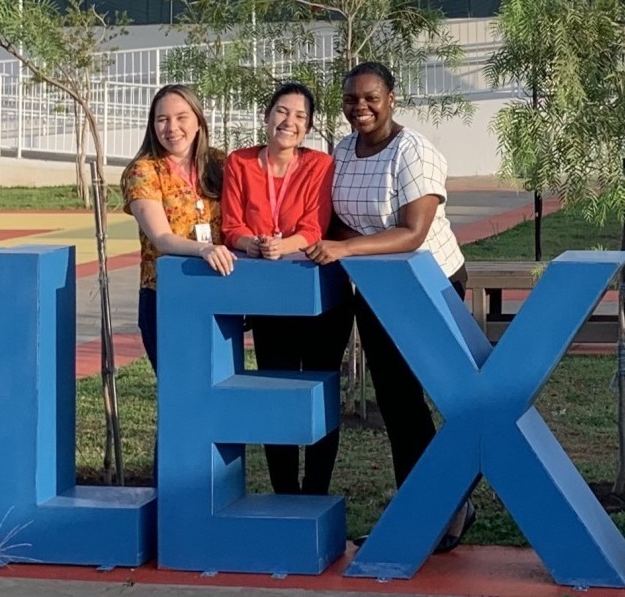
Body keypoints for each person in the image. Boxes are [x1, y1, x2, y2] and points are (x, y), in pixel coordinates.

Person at [305, 62, 475, 552]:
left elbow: (412, 232)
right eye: (351, 99)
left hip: (429, 286)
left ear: (392, 99)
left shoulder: (414, 151)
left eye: (371, 98)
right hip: (379, 288)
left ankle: (447, 511)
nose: (360, 107)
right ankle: (423, 513)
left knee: (436, 399)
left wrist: (345, 248)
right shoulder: (343, 150)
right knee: (398, 403)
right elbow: (335, 220)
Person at [221, 82, 353, 496]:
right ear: (267, 116)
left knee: (319, 391)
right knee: (275, 393)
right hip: (269, 299)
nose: (288, 122)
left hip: (318, 299)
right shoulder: (240, 162)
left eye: (299, 116)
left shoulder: (319, 165)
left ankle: (315, 492)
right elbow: (231, 225)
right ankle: (284, 493)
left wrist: (283, 245)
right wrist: (252, 244)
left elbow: (314, 227)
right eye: (281, 111)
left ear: (308, 127)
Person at [122, 84, 236, 374]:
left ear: (198, 121)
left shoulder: (220, 163)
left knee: (222, 381)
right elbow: (161, 238)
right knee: (179, 384)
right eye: (162, 119)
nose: (172, 128)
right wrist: (205, 249)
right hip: (166, 293)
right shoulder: (144, 170)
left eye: (181, 117)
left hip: (218, 288)